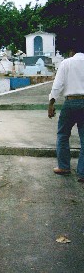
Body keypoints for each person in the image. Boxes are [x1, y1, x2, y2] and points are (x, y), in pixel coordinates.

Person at [48, 50, 84, 183]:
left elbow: (58, 85)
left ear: (72, 51)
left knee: (63, 135)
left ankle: (64, 167)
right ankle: (82, 173)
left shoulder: (67, 63)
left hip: (70, 102)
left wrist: (51, 103)